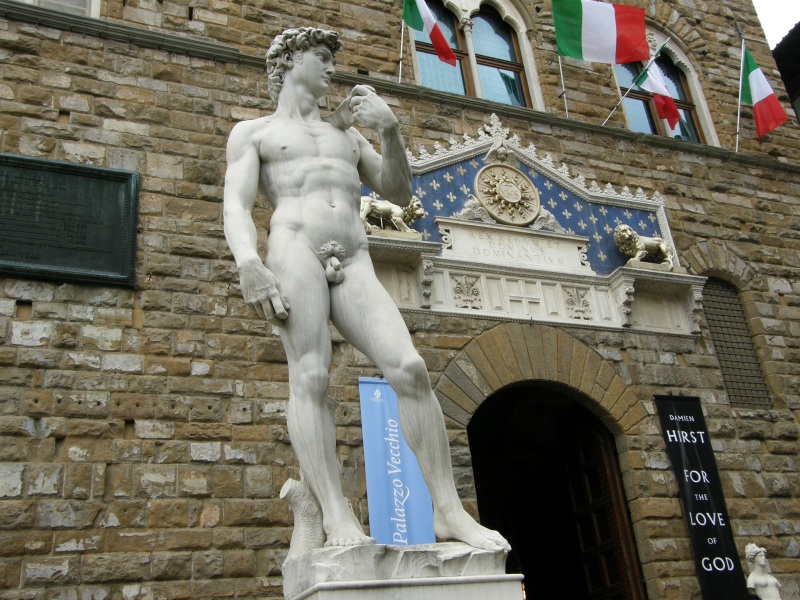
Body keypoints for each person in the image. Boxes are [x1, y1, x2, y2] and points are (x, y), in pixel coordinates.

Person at [223, 26, 510, 553]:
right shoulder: (255, 133)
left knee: (410, 368)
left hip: (355, 255)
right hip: (294, 248)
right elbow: (236, 205)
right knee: (311, 376)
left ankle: (448, 511)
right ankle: (336, 515)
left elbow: (397, 191)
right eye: (321, 56)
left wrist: (391, 130)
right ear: (291, 61)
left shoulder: (348, 136)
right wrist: (248, 262)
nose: (332, 67)